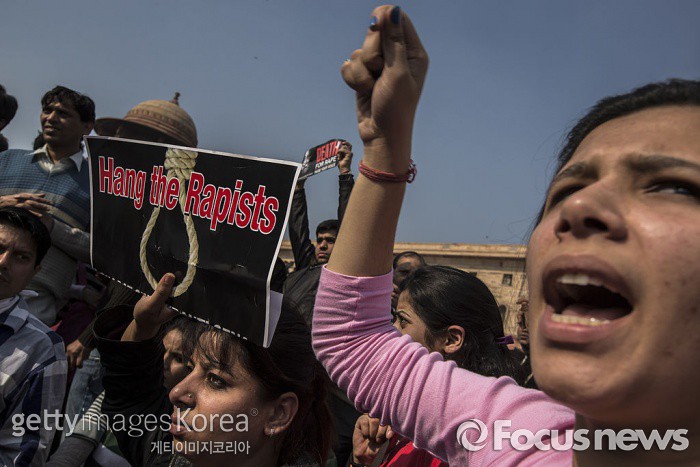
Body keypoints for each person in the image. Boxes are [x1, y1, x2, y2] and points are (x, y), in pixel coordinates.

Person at [312, 5, 700, 465]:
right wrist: (384, 147)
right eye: (567, 191)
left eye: (674, 187)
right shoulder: (519, 436)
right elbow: (354, 338)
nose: (579, 208)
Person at [94, 274, 334, 467]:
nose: (176, 393)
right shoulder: (169, 459)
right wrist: (143, 326)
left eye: (215, 380)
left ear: (278, 413)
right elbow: (130, 401)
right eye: (190, 368)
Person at [64, 94, 199, 423]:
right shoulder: (131, 195)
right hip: (118, 339)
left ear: (158, 146)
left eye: (128, 134)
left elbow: (135, 283)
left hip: (116, 342)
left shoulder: (162, 204)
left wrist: (87, 338)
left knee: (82, 430)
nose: (118, 140)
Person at [352, 266, 523, 466]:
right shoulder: (408, 416)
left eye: (403, 321)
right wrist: (363, 460)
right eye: (394, 318)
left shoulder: (474, 439)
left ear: (451, 340)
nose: (391, 331)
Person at [0, 85, 95, 325]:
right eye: (47, 110)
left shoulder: (97, 184)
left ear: (87, 127)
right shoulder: (6, 161)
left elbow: (101, 251)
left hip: (37, 301)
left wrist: (52, 228)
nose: (51, 118)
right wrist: (4, 204)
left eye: (63, 113)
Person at [0, 207, 67, 465]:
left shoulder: (43, 348)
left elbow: (23, 455)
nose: (3, 262)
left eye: (21, 257)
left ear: (35, 271)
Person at [283, 141, 354, 326]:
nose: (322, 246)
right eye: (320, 240)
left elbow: (349, 223)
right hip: (290, 337)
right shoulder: (304, 269)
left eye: (330, 241)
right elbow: (298, 229)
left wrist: (345, 173)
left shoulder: (342, 272)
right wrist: (298, 188)